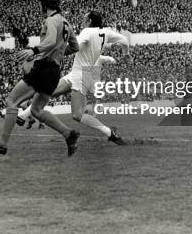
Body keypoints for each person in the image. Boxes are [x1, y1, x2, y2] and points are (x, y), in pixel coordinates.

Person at [0, 0, 80, 156]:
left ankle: (2, 144)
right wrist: (58, 53)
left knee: (12, 101)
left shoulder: (50, 20)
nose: (39, 8)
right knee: (37, 110)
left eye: (40, 5)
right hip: (54, 71)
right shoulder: (66, 23)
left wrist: (33, 51)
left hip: (43, 68)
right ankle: (68, 134)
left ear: (45, 5)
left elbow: (48, 42)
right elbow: (75, 47)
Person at [17, 10, 129, 145]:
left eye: (84, 19)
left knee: (77, 115)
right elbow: (124, 40)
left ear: (89, 22)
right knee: (48, 91)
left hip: (81, 75)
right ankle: (23, 116)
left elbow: (75, 46)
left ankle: (110, 133)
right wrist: (125, 52)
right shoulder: (106, 32)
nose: (81, 21)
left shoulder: (87, 32)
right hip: (77, 73)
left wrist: (53, 51)